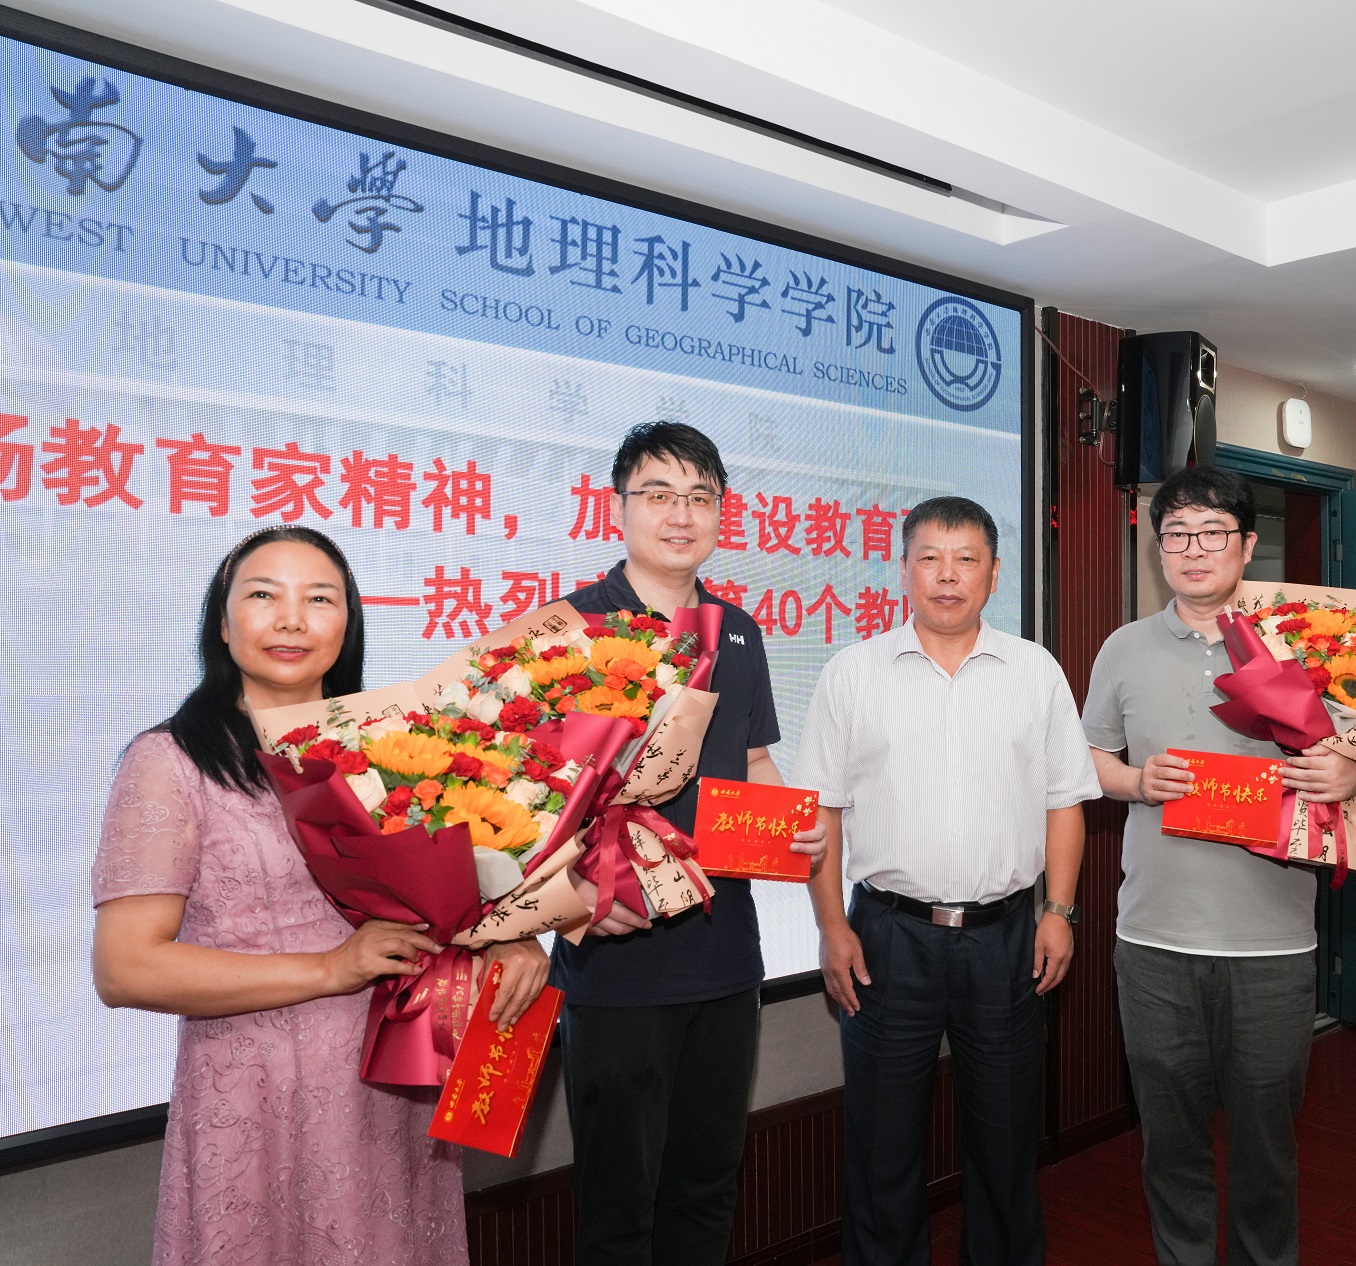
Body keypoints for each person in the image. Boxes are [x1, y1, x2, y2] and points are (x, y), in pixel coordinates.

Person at [91, 524, 549, 1266]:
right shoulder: (169, 762)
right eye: (263, 595)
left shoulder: (394, 749)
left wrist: (510, 933)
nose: (291, 619)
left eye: (319, 599)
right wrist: (332, 969)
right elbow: (125, 968)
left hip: (393, 1086)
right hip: (259, 1100)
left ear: (348, 623)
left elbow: (453, 892)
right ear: (222, 623)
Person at [1080, 467, 1356, 1266]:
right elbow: (1088, 760)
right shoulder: (1123, 648)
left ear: (1247, 546)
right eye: (1176, 533)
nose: (1193, 548)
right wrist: (1136, 781)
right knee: (1169, 1146)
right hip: (1154, 943)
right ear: (1158, 549)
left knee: (1266, 1150)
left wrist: (1355, 771)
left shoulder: (1303, 643)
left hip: (1272, 946)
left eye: (1212, 532)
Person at [796, 495, 1100, 1266]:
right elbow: (820, 811)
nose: (947, 575)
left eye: (966, 560)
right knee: (881, 1146)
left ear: (994, 574)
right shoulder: (853, 673)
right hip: (887, 937)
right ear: (903, 569)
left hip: (1006, 938)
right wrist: (831, 928)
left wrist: (1059, 910)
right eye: (929, 558)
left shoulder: (1034, 671)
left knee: (1005, 1142)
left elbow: (1065, 800)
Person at [553, 421, 826, 1266]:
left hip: (724, 958)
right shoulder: (567, 628)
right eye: (659, 495)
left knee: (707, 1189)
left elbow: (752, 760)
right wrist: (571, 900)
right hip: (617, 962)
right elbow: (517, 804)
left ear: (719, 513)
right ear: (617, 507)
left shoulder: (737, 629)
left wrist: (795, 825)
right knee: (618, 1210)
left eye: (700, 497)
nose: (681, 515)